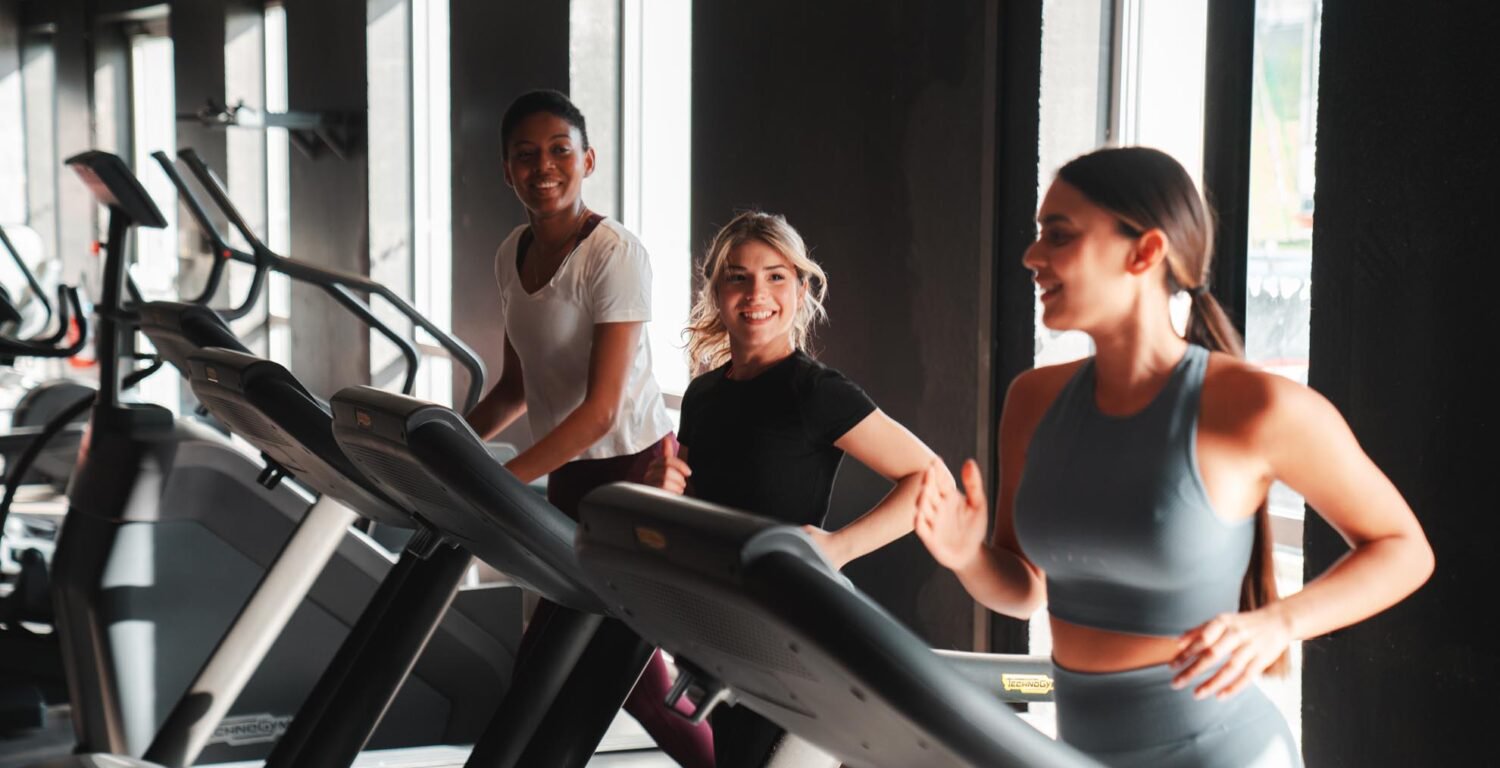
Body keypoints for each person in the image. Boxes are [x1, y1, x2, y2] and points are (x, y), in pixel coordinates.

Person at [913, 146, 1434, 767]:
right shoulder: (1032, 399)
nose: (1032, 256)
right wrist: (965, 556)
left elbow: (1405, 549)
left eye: (1058, 235)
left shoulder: (1256, 407)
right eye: (1038, 235)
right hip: (1081, 753)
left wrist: (1277, 623)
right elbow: (1026, 590)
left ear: (1145, 252)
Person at [643, 210, 951, 766]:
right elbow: (691, 510)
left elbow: (932, 480)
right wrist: (659, 491)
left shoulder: (816, 393)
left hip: (795, 631)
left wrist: (835, 548)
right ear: (715, 290)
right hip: (720, 629)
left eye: (776, 275)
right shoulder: (703, 395)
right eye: (737, 276)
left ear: (802, 287)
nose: (756, 292)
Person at [464, 88, 712, 768]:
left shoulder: (614, 255)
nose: (544, 167)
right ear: (506, 170)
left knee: (562, 666)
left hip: (636, 475)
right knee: (626, 679)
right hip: (572, 476)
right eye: (525, 155)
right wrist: (448, 450)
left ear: (588, 160)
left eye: (559, 151)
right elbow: (515, 390)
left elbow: (601, 410)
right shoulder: (509, 254)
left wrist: (498, 480)